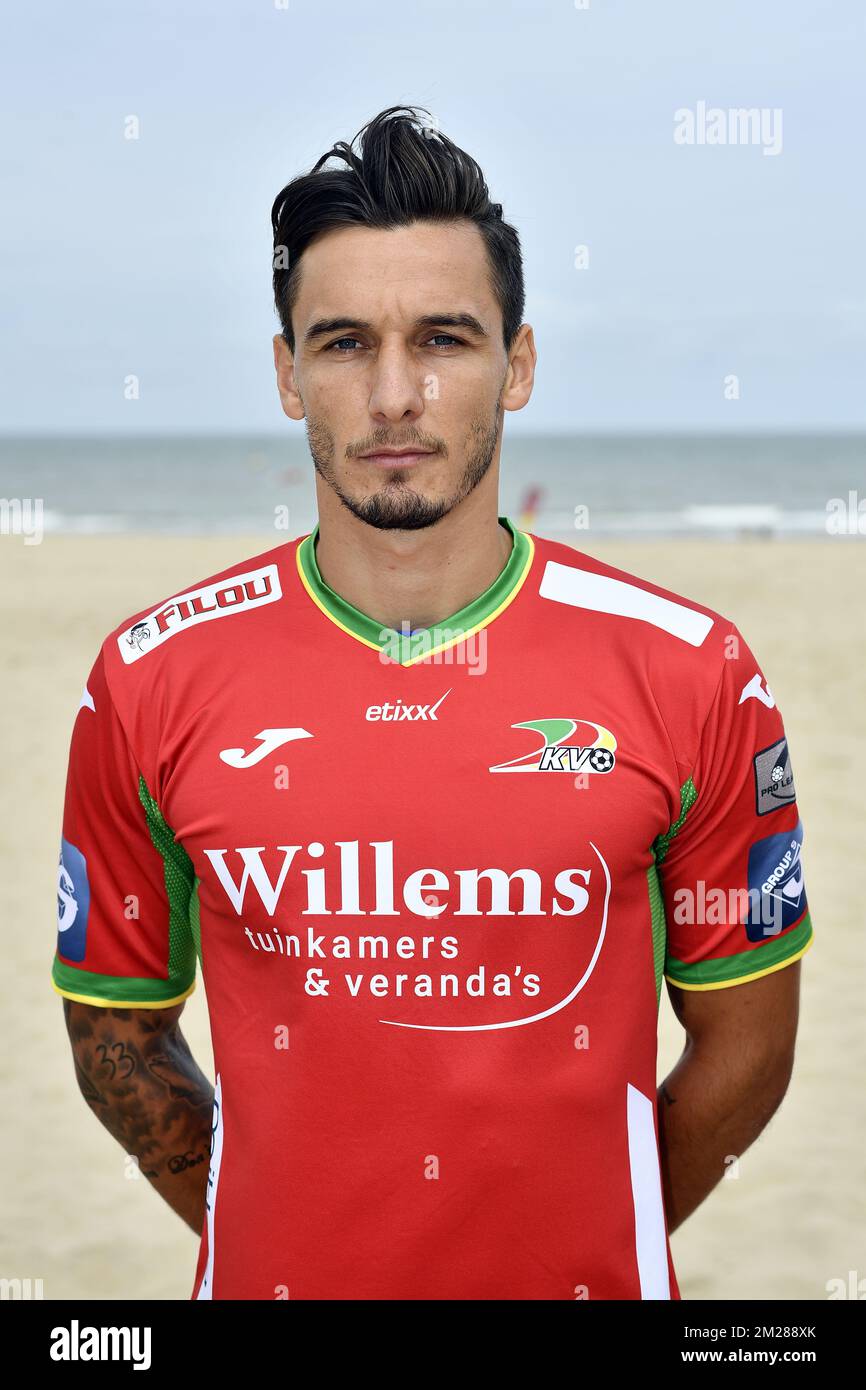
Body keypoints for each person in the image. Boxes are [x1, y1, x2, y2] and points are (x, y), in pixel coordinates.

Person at [53, 106, 813, 1300]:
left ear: (515, 364)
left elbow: (749, 1047)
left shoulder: (693, 670)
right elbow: (115, 1033)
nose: (395, 393)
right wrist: (266, 1222)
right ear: (287, 373)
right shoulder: (148, 676)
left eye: (444, 339)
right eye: (345, 342)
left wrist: (580, 1232)